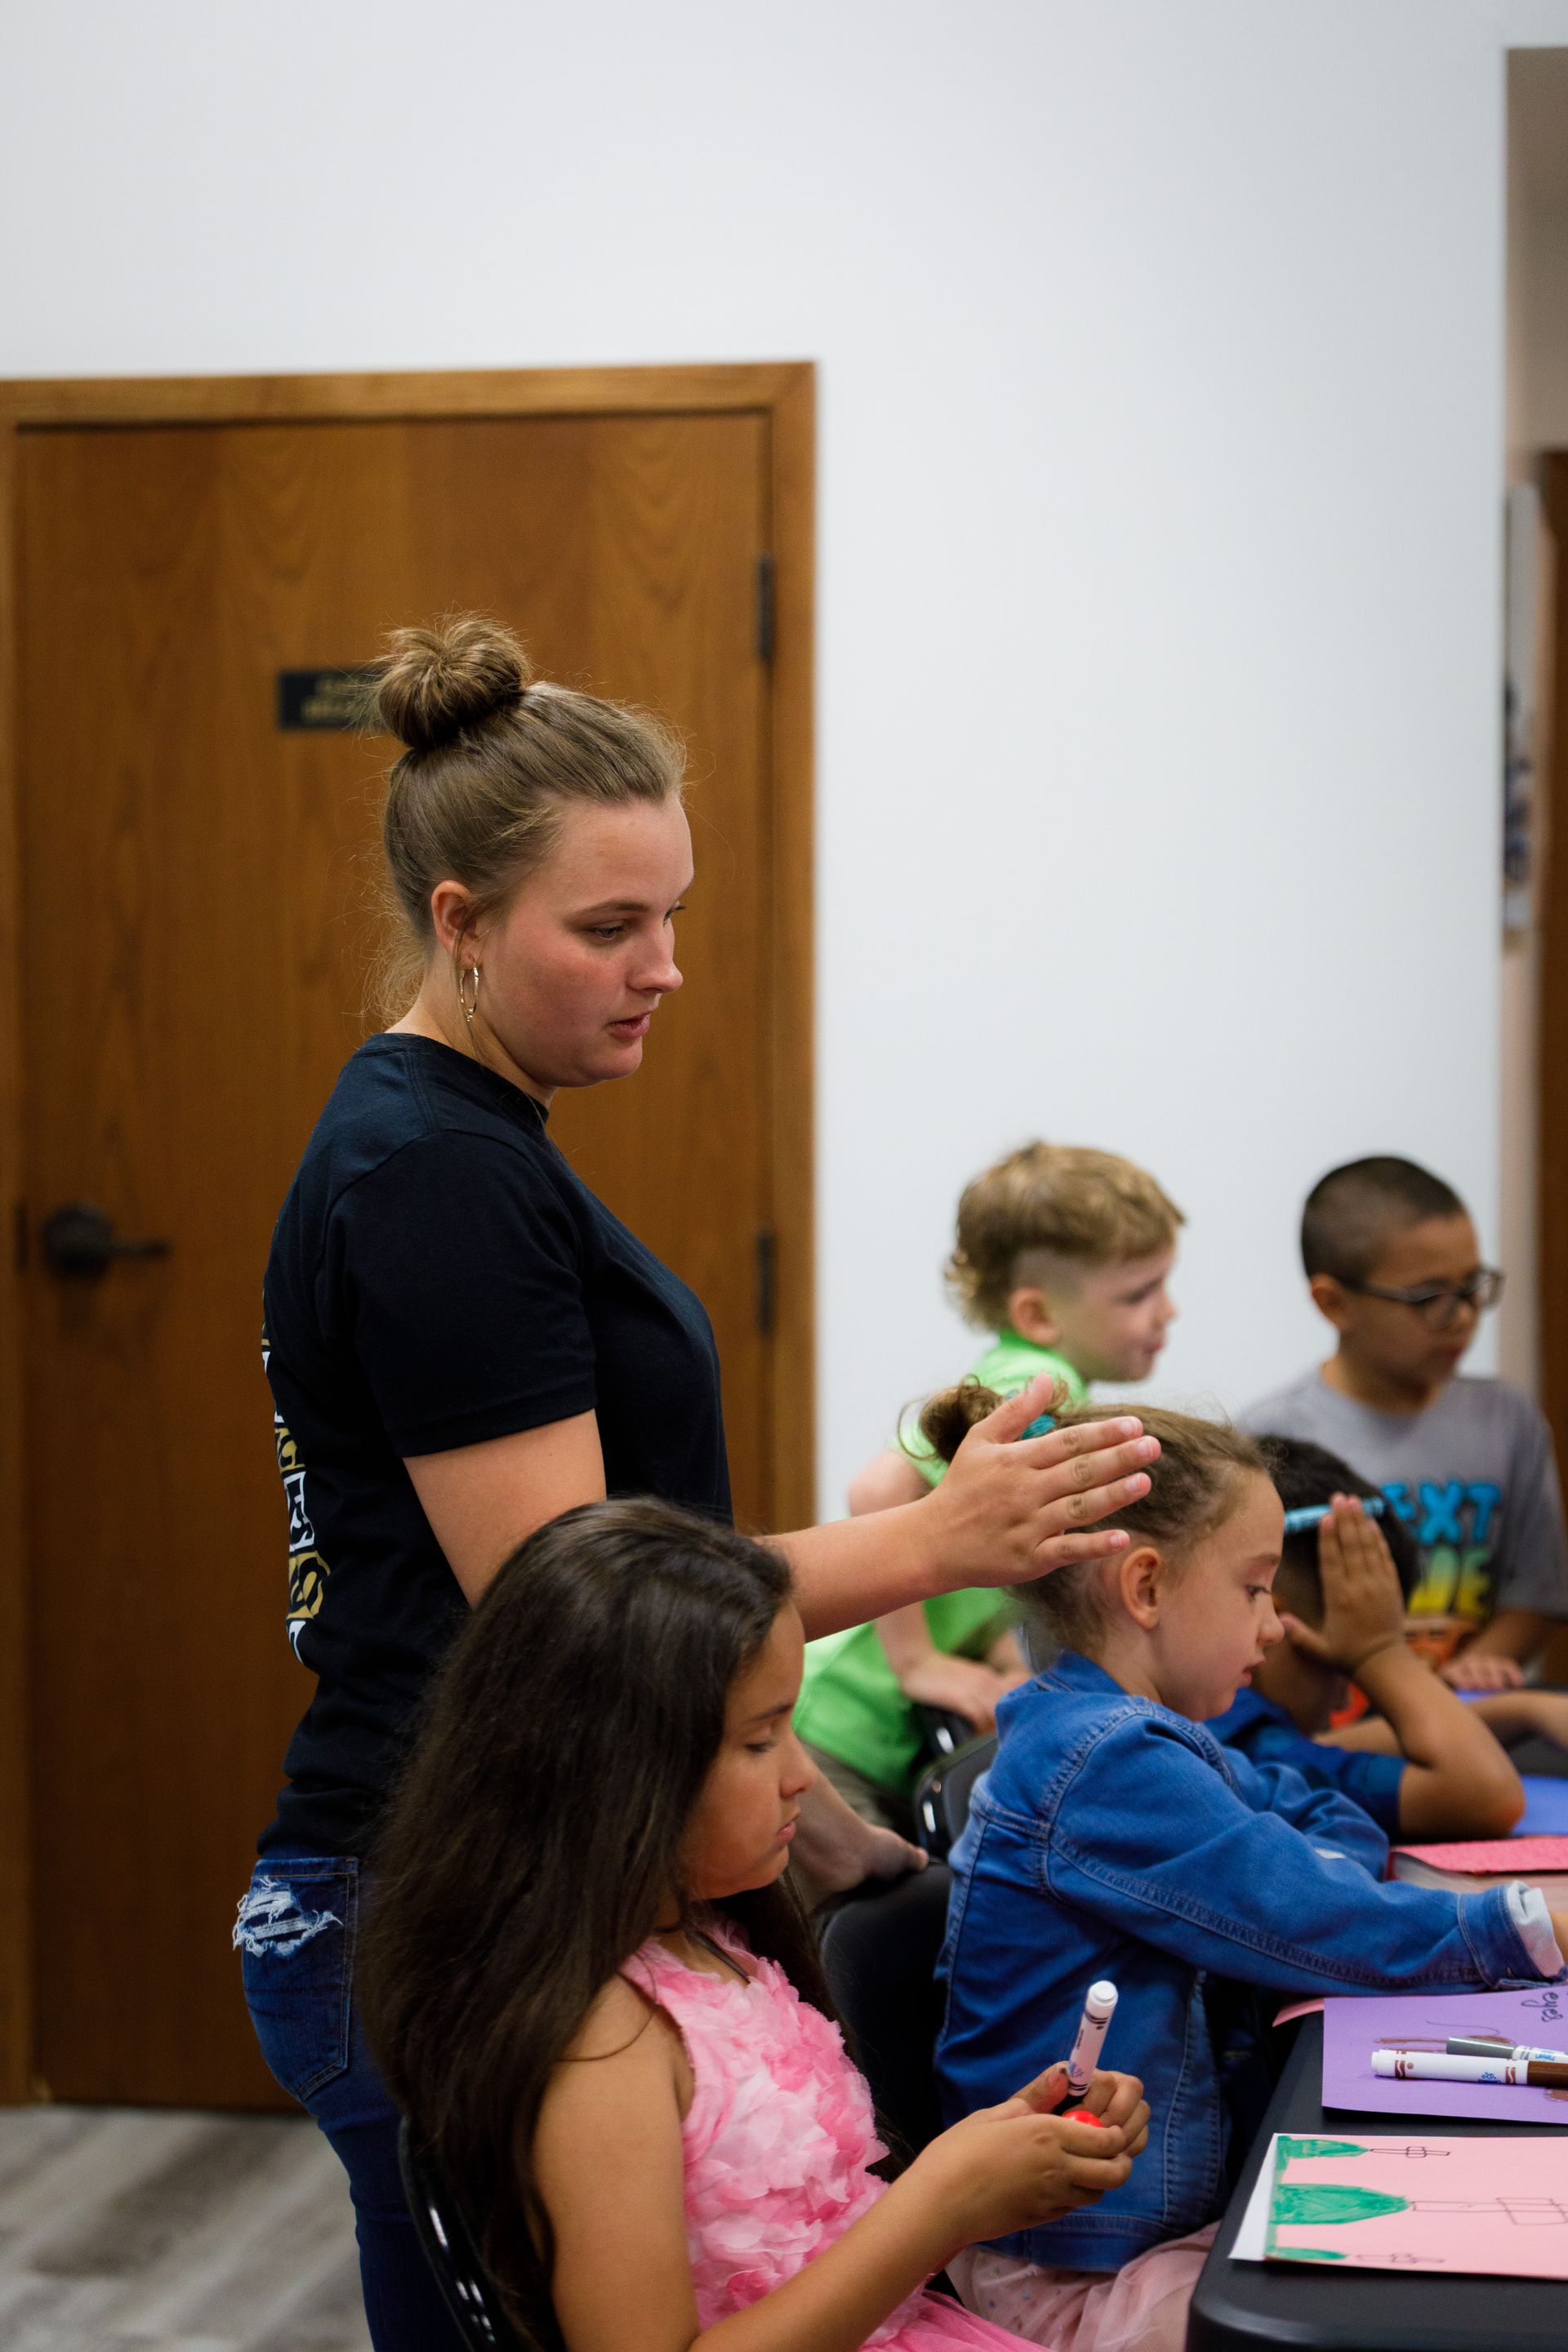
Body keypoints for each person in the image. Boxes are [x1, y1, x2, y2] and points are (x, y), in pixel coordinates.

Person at [237, 615, 1160, 2352]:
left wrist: (797, 1800)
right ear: (460, 924)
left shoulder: (475, 1146)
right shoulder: (430, 1177)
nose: (661, 964)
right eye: (606, 928)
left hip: (522, 1866)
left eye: (674, 916)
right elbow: (577, 1612)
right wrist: (935, 1543)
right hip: (429, 1886)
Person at [359, 1497, 1153, 2352]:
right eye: (761, 1740)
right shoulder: (602, 2046)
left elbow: (814, 2229)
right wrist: (940, 2206)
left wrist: (1002, 2161)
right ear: (624, 1765)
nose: (803, 1780)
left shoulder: (712, 1938)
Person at [924, 1388, 1568, 2352]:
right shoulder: (1108, 1759)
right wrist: (1530, 1926)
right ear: (1144, 1588)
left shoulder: (1142, 1734)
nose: (1274, 1628)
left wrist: (1289, 1873)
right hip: (1071, 2265)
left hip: (1130, 2227)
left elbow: (1318, 1821)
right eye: (1255, 1588)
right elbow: (1313, 1918)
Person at [795, 1143, 1182, 1831]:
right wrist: (916, 1660)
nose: (1167, 1312)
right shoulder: (1031, 1387)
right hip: (838, 1720)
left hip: (869, 1729)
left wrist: (1000, 1656)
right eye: (1138, 1294)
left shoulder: (1037, 1381)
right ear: (1037, 1315)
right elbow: (877, 1489)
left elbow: (991, 1555)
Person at [1245, 1155, 1568, 1686]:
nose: (1462, 1316)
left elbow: (1536, 1595)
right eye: (1430, 1297)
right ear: (1334, 1304)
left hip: (1474, 1718)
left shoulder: (1507, 1420)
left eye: (1471, 1286)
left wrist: (1471, 1674)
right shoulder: (1270, 1439)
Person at [1217, 1437, 1568, 1818]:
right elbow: (1488, 1795)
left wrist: (1522, 1710)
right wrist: (1378, 1652)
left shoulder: (1224, 1727)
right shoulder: (1245, 1754)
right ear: (1267, 1623)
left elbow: (1325, 1746)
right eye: (1338, 1668)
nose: (1343, 1702)